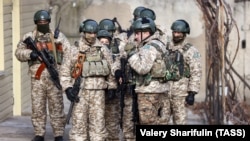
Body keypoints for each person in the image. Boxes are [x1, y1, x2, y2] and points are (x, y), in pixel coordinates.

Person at [15, 10, 71, 141]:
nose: (43, 24)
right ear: (36, 23)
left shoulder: (58, 37)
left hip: (54, 77)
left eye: (45, 22)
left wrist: (66, 74)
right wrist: (30, 54)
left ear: (49, 22)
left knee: (57, 107)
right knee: (38, 108)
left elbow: (69, 53)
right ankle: (39, 134)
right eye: (40, 23)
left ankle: (58, 134)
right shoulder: (29, 36)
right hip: (37, 79)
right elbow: (18, 52)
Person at [61, 19, 118, 141]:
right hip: (80, 93)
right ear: (83, 32)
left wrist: (112, 86)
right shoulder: (74, 50)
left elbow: (111, 69)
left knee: (98, 127)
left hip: (98, 93)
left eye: (94, 33)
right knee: (78, 127)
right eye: (89, 33)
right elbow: (65, 71)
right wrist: (68, 88)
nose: (92, 36)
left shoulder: (103, 49)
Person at [125, 17, 168, 126]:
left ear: (146, 33)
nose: (135, 37)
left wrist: (131, 54)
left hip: (148, 92)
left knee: (148, 123)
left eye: (137, 33)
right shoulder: (160, 44)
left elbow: (142, 68)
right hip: (161, 90)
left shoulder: (149, 47)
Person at [163, 19, 202, 124]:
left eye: (179, 32)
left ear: (185, 34)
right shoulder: (166, 48)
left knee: (180, 122)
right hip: (164, 91)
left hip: (180, 93)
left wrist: (192, 92)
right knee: (162, 121)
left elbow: (196, 72)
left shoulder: (191, 50)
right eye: (174, 32)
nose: (176, 35)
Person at [97, 29, 122, 141]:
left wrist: (112, 86)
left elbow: (115, 66)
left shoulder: (114, 54)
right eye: (101, 42)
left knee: (112, 123)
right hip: (96, 92)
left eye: (106, 43)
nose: (104, 45)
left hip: (111, 92)